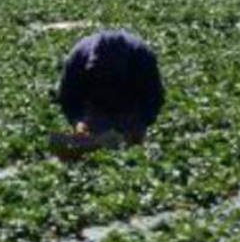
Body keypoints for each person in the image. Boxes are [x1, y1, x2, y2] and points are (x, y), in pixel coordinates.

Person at [52, 29, 164, 158]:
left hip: (129, 105)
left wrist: (142, 122)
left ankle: (126, 145)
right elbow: (68, 97)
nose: (106, 76)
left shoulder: (142, 57)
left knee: (129, 149)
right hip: (95, 105)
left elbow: (154, 97)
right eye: (100, 71)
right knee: (76, 149)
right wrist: (78, 121)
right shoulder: (79, 56)